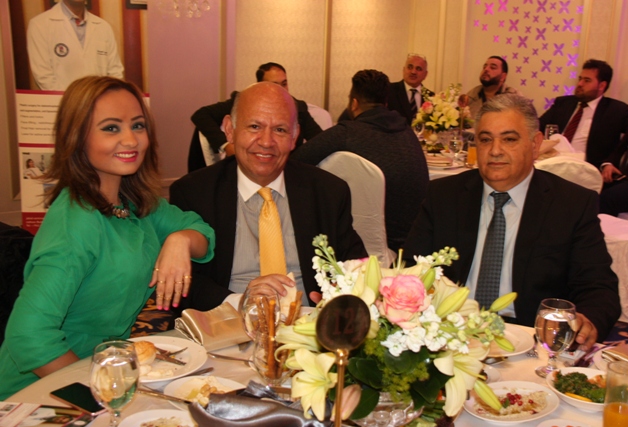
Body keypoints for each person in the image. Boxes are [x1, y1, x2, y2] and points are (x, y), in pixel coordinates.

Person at [0, 76, 214, 399]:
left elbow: (203, 234)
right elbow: (28, 336)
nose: (131, 140)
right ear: (77, 137)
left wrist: (180, 240)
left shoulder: (133, 203)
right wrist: (104, 390)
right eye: (111, 128)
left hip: (104, 370)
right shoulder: (77, 221)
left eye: (138, 126)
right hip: (44, 391)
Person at [403, 94, 619, 349]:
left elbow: (598, 287)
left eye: (509, 139)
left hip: (534, 339)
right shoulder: (444, 195)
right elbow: (412, 270)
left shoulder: (571, 204)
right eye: (485, 140)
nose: (495, 151)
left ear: (535, 144)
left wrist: (588, 319)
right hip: (450, 333)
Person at [171, 82, 367, 310]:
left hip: (308, 323)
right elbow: (184, 283)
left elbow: (356, 268)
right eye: (254, 126)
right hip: (228, 321)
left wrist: (339, 297)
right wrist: (239, 302)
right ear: (230, 129)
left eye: (280, 130)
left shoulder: (328, 192)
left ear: (295, 136)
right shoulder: (194, 193)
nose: (266, 142)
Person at [291, 69, 429, 253]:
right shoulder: (407, 132)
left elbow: (295, 163)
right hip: (416, 240)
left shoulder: (347, 133)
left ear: (354, 103)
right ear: (385, 103)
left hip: (371, 245)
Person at [187, 62, 323, 172]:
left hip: (287, 169)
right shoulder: (243, 102)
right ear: (260, 84)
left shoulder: (298, 107)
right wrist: (226, 145)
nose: (281, 90)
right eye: (274, 85)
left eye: (284, 84)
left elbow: (318, 140)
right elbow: (201, 115)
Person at [539, 59, 628, 167]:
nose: (580, 84)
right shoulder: (563, 103)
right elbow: (537, 126)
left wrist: (611, 162)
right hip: (552, 162)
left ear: (602, 86)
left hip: (586, 167)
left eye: (587, 80)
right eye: (580, 79)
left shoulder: (616, 110)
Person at [26, 0, 124, 91]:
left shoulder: (103, 27)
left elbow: (115, 72)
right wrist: (72, 101)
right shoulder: (39, 25)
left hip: (100, 100)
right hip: (60, 102)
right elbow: (44, 77)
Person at [599, 109, 628, 216]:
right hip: (623, 176)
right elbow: (621, 148)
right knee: (586, 189)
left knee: (608, 198)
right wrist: (609, 164)